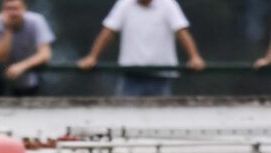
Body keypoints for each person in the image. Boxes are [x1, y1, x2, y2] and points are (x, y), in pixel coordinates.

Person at [77, 0, 205, 96]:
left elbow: (182, 32)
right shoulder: (124, 4)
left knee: (161, 120)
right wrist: (92, 57)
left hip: (161, 76)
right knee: (125, 119)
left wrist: (194, 57)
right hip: (132, 76)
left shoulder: (168, 4)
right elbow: (107, 32)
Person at [0, 0, 55, 96]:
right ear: (2, 10)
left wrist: (21, 66)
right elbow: (2, 57)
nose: (12, 13)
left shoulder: (36, 21)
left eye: (15, 8)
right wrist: (8, 28)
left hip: (26, 79)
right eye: (8, 9)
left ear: (25, 8)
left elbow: (45, 54)